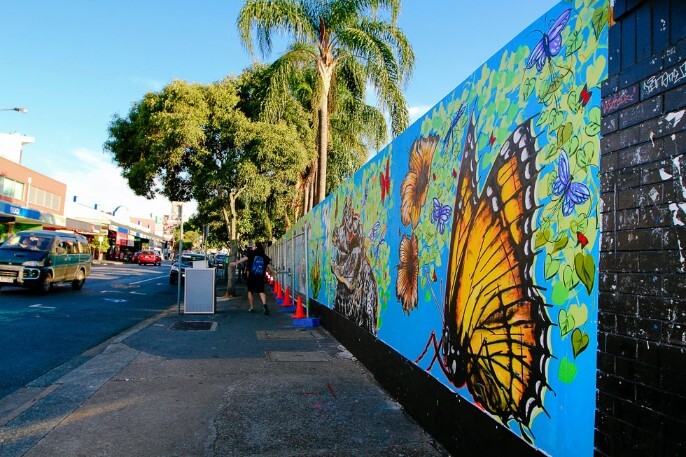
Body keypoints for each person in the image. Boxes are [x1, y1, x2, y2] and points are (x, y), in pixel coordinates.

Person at [230, 242, 274, 315]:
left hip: (252, 276)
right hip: (260, 277)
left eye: (254, 246)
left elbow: (244, 258)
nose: (253, 247)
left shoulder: (251, 253)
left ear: (256, 247)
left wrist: (236, 263)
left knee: (250, 291)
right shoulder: (264, 255)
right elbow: (269, 266)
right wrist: (274, 273)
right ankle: (265, 305)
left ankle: (251, 307)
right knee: (261, 292)